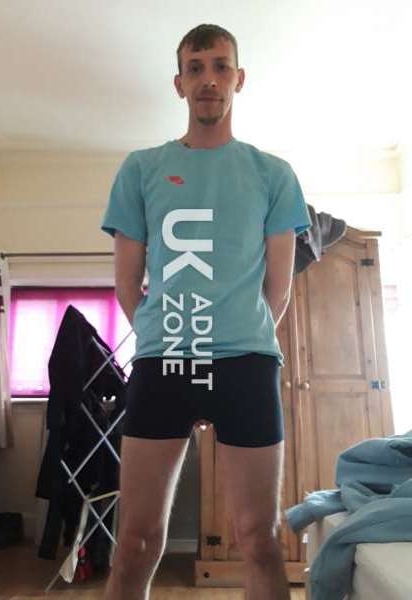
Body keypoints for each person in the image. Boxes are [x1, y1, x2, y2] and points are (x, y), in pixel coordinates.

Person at [101, 23, 312, 600]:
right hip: (164, 359)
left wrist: (236, 333)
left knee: (259, 539)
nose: (209, 80)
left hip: (246, 363)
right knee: (136, 542)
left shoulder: (273, 173)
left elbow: (278, 289)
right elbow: (127, 284)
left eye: (220, 66)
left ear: (238, 78)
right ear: (179, 84)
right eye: (195, 69)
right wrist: (169, 334)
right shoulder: (141, 168)